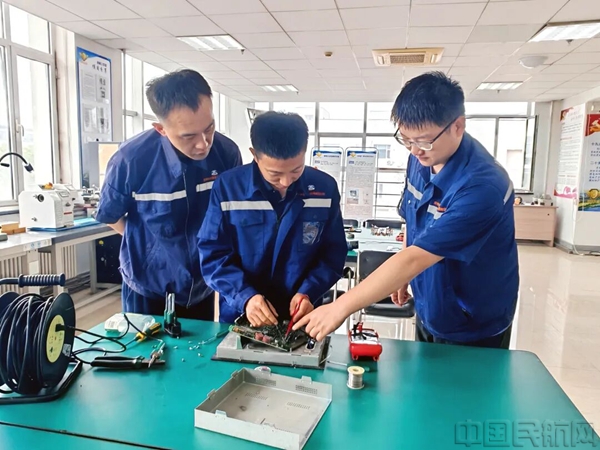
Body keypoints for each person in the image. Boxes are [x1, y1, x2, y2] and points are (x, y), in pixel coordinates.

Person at [294, 72, 519, 349]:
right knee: (425, 373)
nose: (414, 151)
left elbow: (415, 258)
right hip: (430, 303)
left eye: (423, 141)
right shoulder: (423, 158)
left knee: (463, 378)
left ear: (458, 126)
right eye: (406, 139)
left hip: (473, 320)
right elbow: (414, 224)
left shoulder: (483, 187)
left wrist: (339, 307)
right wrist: (403, 276)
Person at [96, 69, 242, 320]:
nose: (203, 144)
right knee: (145, 345)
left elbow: (232, 216)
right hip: (148, 286)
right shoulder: (131, 159)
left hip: (202, 285)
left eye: (209, 128)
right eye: (189, 136)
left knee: (199, 345)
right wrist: (151, 248)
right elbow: (111, 215)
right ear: (161, 129)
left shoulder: (226, 153)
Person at [198, 111, 347, 326]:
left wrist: (309, 291)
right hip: (242, 313)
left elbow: (333, 253)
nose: (286, 181)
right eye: (275, 174)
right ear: (255, 155)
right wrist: (245, 297)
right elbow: (213, 254)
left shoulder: (324, 188)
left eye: (296, 170)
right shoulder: (228, 188)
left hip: (302, 314)